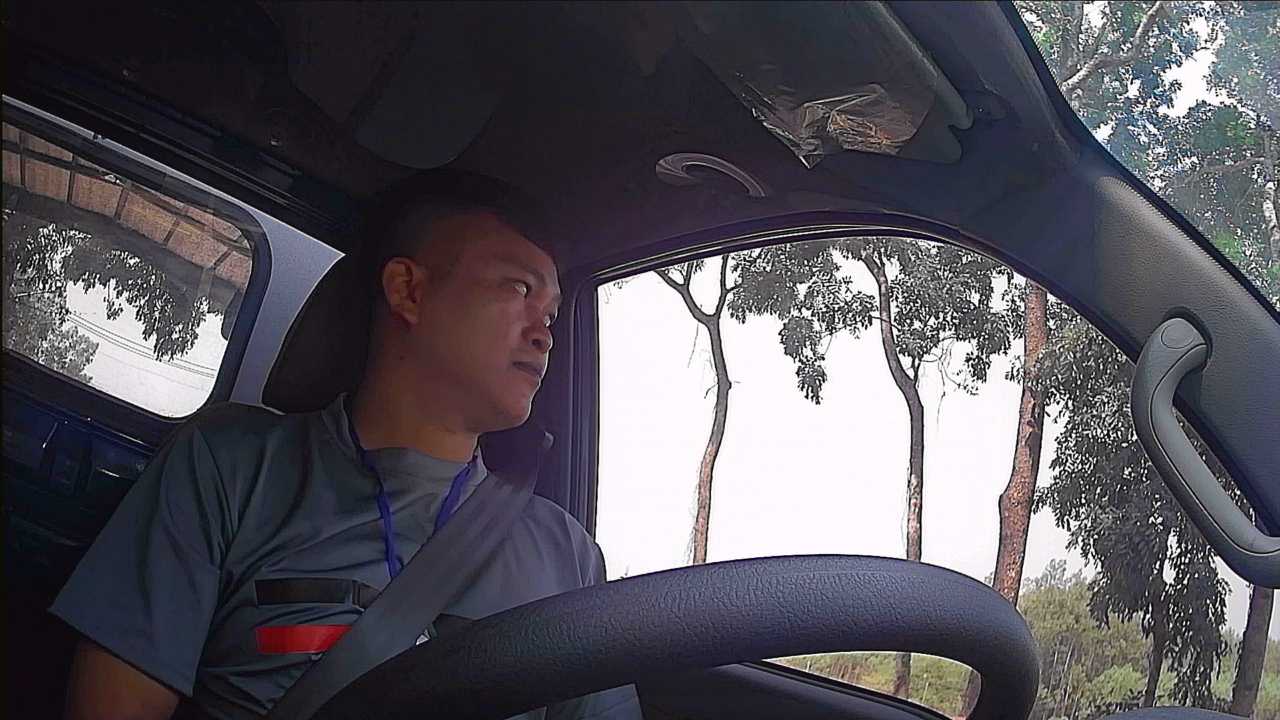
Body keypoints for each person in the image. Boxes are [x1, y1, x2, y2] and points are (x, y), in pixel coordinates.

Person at [53, 171, 644, 720]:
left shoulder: (569, 555)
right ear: (408, 291)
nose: (544, 335)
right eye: (519, 288)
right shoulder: (230, 464)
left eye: (552, 314)